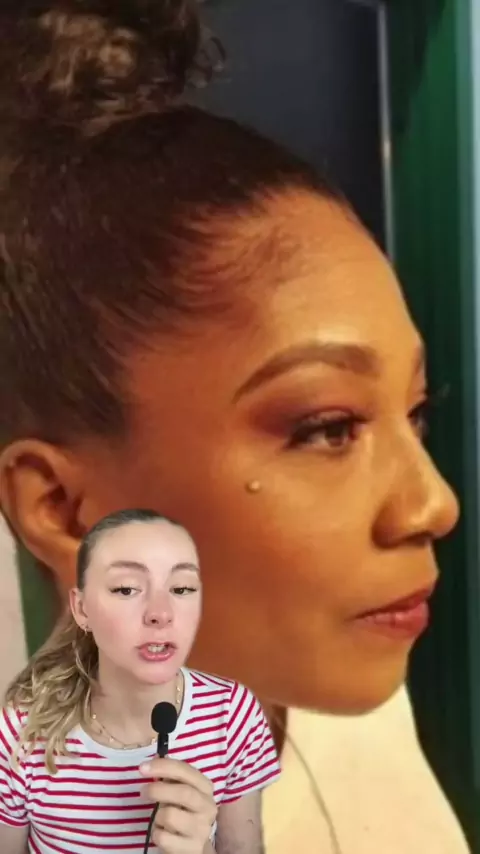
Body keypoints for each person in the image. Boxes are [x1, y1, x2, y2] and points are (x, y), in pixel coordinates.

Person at [0, 0, 470, 851]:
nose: (433, 505)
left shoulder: (348, 711)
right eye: (328, 427)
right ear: (65, 509)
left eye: (415, 413)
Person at [0, 508, 280, 854]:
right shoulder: (22, 730)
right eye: (126, 589)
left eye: (182, 588)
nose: (161, 613)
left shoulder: (233, 713)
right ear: (82, 609)